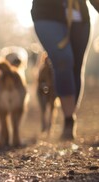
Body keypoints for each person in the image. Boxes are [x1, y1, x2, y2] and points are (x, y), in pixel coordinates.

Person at [31, 0, 99, 140]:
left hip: (79, 15)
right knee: (63, 59)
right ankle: (68, 120)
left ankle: (70, 118)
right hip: (46, 14)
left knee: (76, 66)